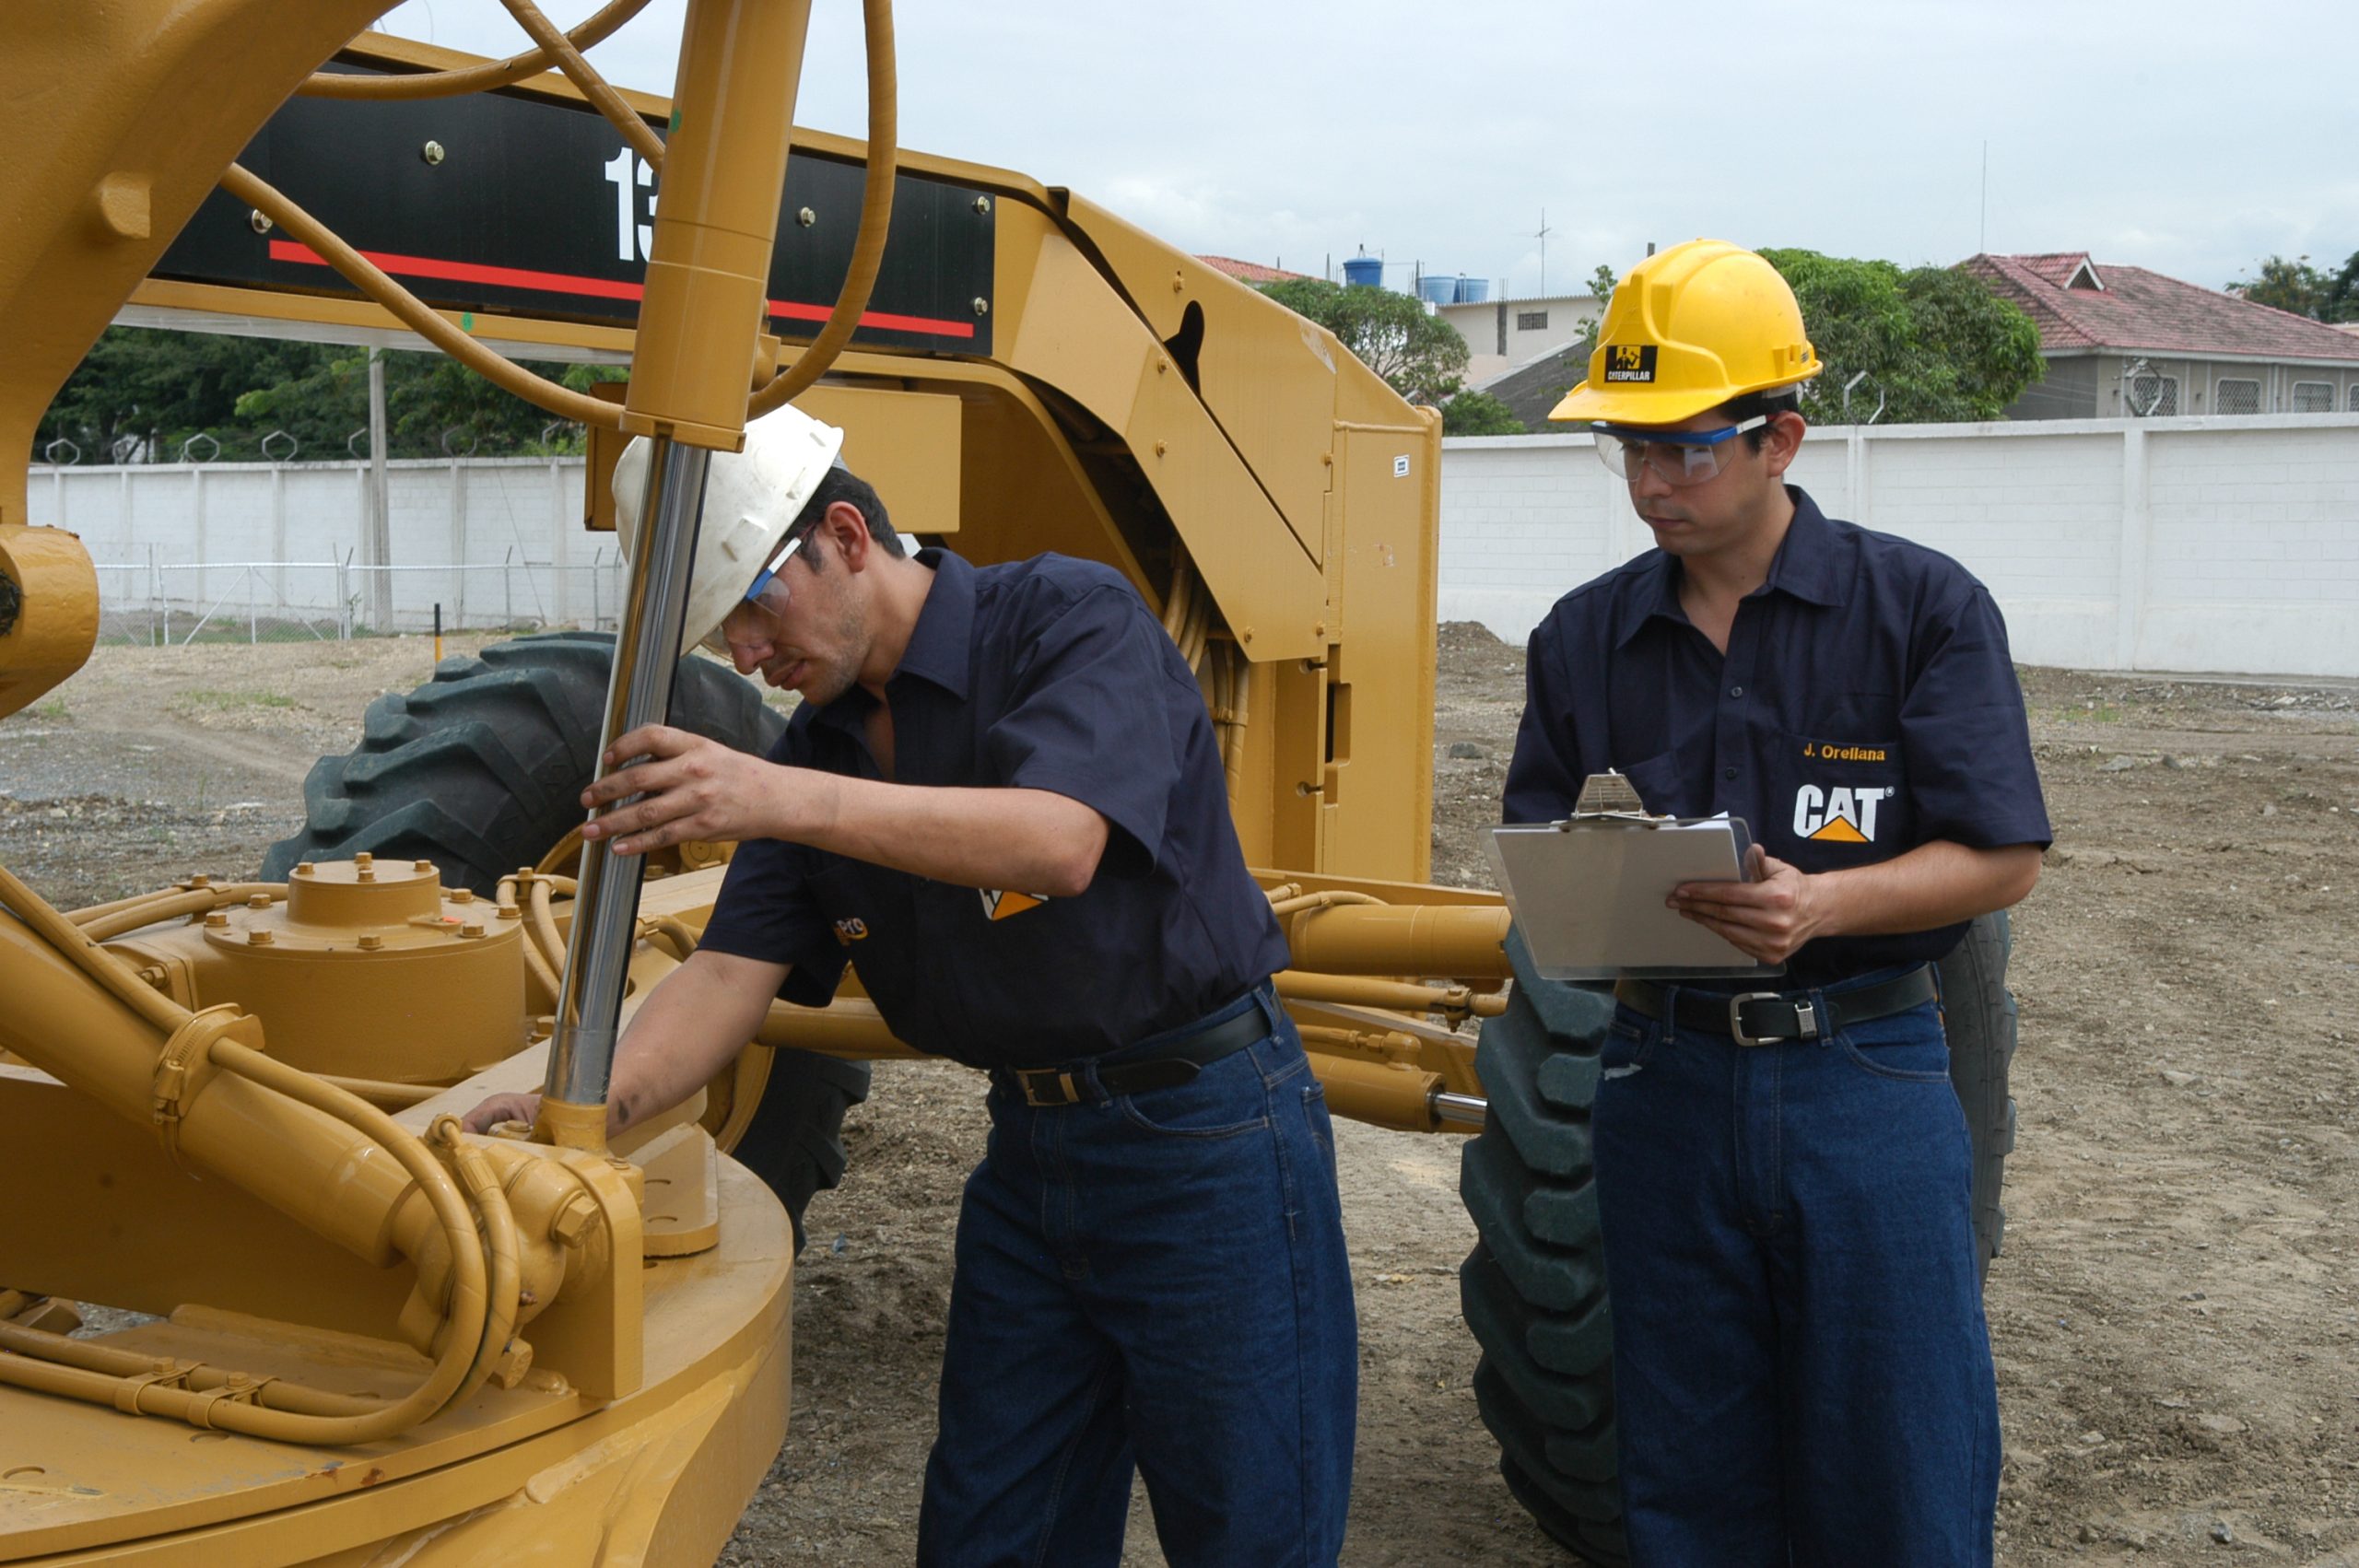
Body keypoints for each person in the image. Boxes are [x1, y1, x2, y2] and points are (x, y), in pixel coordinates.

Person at [464, 404, 1354, 1567]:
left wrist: (770, 798)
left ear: (844, 534)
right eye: (720, 628)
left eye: (753, 601)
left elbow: (1060, 842)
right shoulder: (816, 752)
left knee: (1249, 1530)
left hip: (1207, 1137)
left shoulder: (1068, 619)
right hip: (1033, 1157)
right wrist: (581, 1106)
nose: (742, 652)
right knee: (992, 1530)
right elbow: (730, 971)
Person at [1502, 239, 2049, 1566]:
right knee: (1687, 1473)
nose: (1648, 485)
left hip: (1864, 1070)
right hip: (1661, 1085)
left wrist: (1826, 907)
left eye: (1684, 448)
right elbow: (1538, 842)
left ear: (1780, 438)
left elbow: (2003, 856)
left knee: (1897, 1459)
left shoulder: (1917, 608)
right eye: (1629, 447)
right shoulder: (1583, 637)